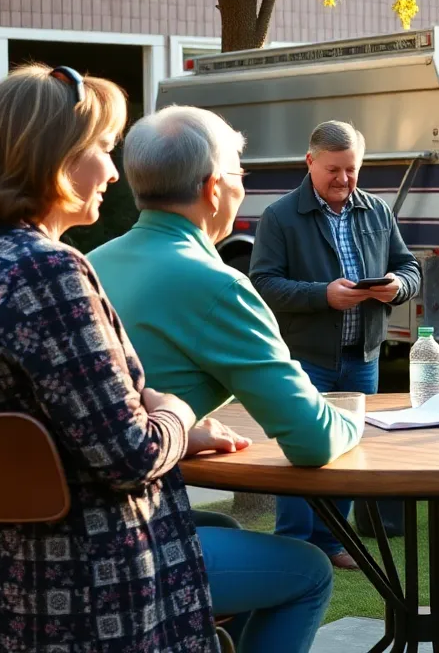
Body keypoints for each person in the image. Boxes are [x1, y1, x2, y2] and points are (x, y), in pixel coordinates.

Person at [0, 66, 239, 651]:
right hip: (93, 595)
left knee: (226, 528)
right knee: (299, 570)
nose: (113, 171)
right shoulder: (47, 269)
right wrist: (179, 415)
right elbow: (129, 455)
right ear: (53, 157)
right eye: (104, 149)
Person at [87, 105, 363, 652]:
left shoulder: (90, 263)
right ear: (213, 188)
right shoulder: (218, 285)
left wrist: (185, 431)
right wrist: (353, 418)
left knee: (230, 533)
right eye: (240, 176)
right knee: (308, 570)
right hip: (123, 543)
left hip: (71, 532)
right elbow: (311, 440)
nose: (241, 189)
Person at [250, 120, 421, 569]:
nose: (344, 179)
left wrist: (396, 286)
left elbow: (410, 268)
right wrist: (321, 295)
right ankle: (291, 544)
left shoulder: (377, 211)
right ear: (310, 163)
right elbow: (263, 284)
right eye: (334, 170)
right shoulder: (280, 215)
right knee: (304, 451)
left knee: (349, 448)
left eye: (352, 169)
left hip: (363, 356)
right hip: (305, 358)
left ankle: (330, 543)